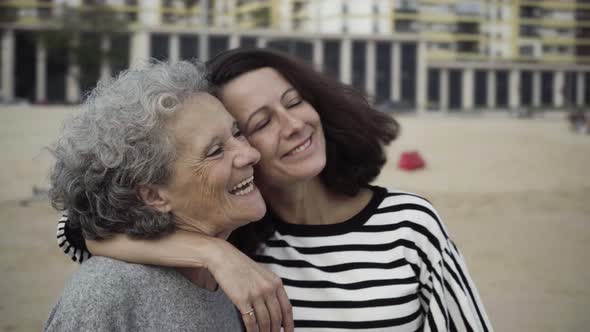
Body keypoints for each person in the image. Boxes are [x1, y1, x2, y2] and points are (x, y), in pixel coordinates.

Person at [59, 49, 493, 331]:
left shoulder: (406, 223)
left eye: (294, 102)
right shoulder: (239, 234)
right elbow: (84, 231)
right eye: (260, 124)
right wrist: (215, 254)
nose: (294, 125)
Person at [44, 60, 294, 331]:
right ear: (153, 196)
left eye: (237, 133)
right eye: (215, 151)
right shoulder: (106, 293)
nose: (251, 154)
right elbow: (77, 228)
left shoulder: (228, 277)